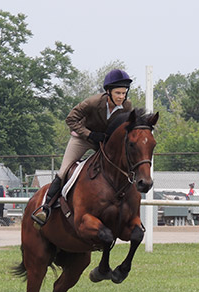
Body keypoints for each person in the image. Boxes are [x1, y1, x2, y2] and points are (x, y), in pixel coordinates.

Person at [32, 69, 134, 226]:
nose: (121, 97)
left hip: (103, 142)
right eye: (118, 93)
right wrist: (90, 134)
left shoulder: (127, 106)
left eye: (124, 93)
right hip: (82, 138)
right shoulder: (93, 102)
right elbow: (71, 119)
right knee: (64, 170)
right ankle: (45, 208)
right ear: (108, 92)